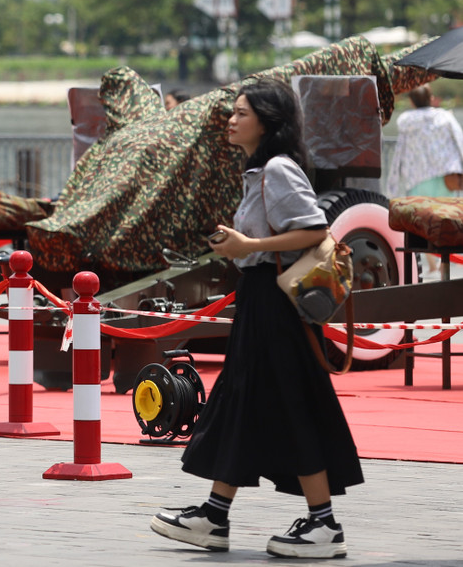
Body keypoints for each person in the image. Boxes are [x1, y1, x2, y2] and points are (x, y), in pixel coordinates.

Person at [150, 79, 361, 559]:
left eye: (241, 112)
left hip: (275, 304)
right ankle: (214, 515)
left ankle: (322, 524)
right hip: (260, 298)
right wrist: (238, 244)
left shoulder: (278, 169)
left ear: (267, 121)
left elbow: (313, 229)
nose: (231, 119)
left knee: (290, 402)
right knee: (243, 400)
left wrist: (249, 247)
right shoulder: (260, 171)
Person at [385, 84, 463, 278]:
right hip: (445, 176)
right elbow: (460, 142)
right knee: (446, 221)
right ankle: (445, 264)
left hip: (417, 177)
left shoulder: (405, 121)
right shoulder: (445, 117)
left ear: (411, 101)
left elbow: (400, 152)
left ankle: (433, 264)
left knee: (423, 224)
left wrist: (392, 184)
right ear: (431, 98)